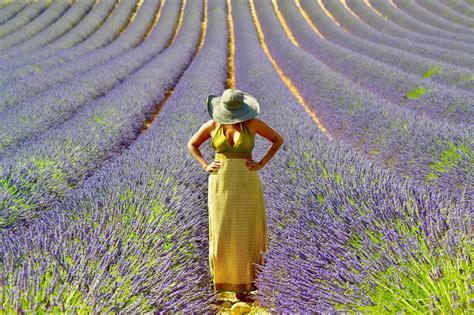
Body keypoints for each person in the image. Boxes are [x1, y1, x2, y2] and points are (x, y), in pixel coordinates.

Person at [187, 88, 284, 302]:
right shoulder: (212, 125)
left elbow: (278, 140)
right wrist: (205, 164)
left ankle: (246, 285)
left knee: (247, 229)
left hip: (246, 181)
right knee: (222, 231)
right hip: (220, 182)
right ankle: (221, 283)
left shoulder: (254, 125)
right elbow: (192, 144)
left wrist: (261, 163)